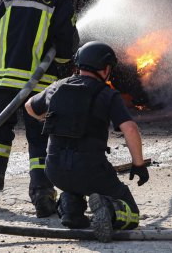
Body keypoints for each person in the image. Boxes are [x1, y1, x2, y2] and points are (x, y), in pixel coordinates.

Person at [0, 0, 79, 218]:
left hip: (3, 76)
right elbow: (65, 42)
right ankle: (43, 195)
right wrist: (59, 68)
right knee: (40, 140)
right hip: (38, 82)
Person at [24, 41, 149, 242]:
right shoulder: (107, 94)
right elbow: (130, 128)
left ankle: (70, 208)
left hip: (56, 172)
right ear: (106, 68)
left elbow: (30, 106)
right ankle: (109, 210)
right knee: (131, 213)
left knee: (74, 187)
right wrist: (139, 164)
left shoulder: (57, 86)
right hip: (91, 171)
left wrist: (48, 117)